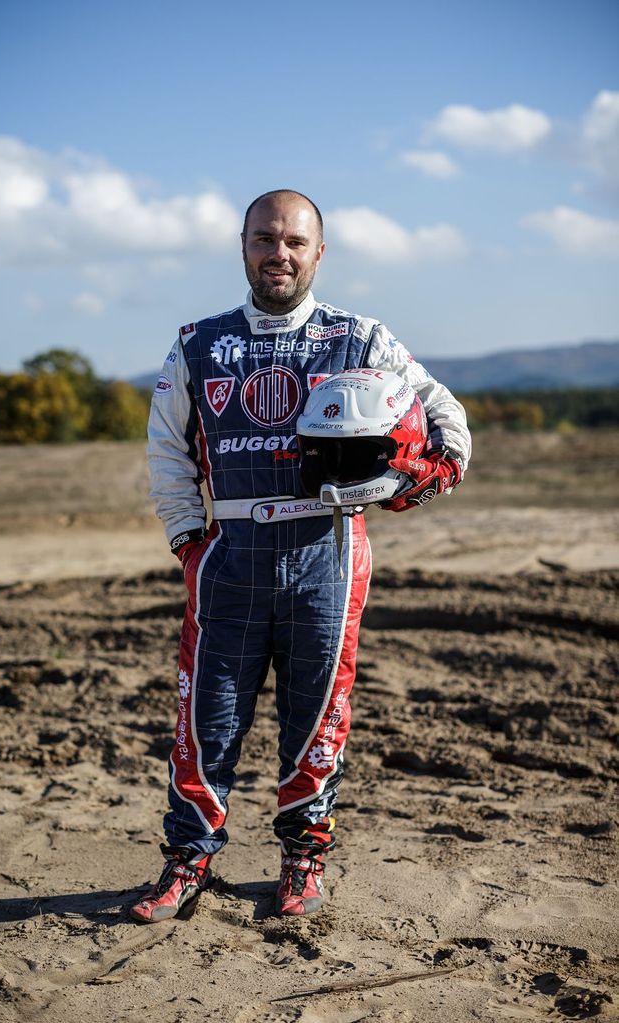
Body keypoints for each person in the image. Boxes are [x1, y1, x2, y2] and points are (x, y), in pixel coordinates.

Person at [130, 190, 471, 923]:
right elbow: (166, 451)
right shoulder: (198, 343)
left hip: (329, 558)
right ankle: (187, 861)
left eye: (293, 241)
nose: (277, 253)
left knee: (317, 718)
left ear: (319, 251)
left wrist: (416, 480)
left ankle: (302, 863)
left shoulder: (364, 339)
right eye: (263, 239)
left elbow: (448, 422)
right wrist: (190, 542)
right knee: (205, 720)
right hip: (228, 559)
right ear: (243, 245)